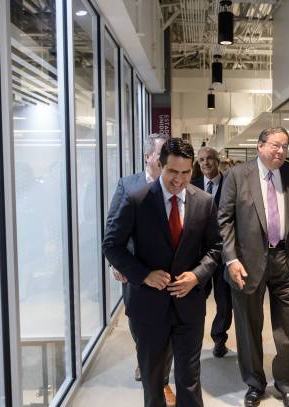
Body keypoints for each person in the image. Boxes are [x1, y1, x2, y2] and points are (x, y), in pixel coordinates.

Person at [103, 138, 222, 407]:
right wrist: (143, 274)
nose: (179, 180)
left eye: (186, 172)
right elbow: (111, 245)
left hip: (189, 306)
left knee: (189, 379)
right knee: (153, 380)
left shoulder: (204, 202)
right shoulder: (137, 201)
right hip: (148, 306)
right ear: (159, 165)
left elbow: (215, 248)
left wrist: (197, 275)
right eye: (172, 172)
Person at [218, 127, 289, 407]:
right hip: (246, 264)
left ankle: (286, 385)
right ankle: (254, 384)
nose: (280, 151)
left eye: (285, 146)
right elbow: (224, 221)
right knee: (248, 328)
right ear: (260, 146)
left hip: (286, 260)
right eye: (275, 145)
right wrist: (231, 258)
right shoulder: (237, 175)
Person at [105, 133, 175, 403]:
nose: (167, 159)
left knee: (169, 328)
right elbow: (113, 229)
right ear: (148, 157)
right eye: (161, 154)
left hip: (169, 271)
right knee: (138, 325)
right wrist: (116, 263)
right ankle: (145, 359)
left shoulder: (176, 183)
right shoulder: (128, 185)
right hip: (135, 271)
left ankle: (162, 380)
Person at [191, 147, 233, 358]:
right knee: (196, 297)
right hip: (200, 255)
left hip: (225, 253)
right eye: (201, 160)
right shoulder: (192, 187)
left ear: (218, 161)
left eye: (209, 159)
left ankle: (219, 338)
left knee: (224, 299)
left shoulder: (231, 185)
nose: (205, 163)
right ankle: (193, 337)